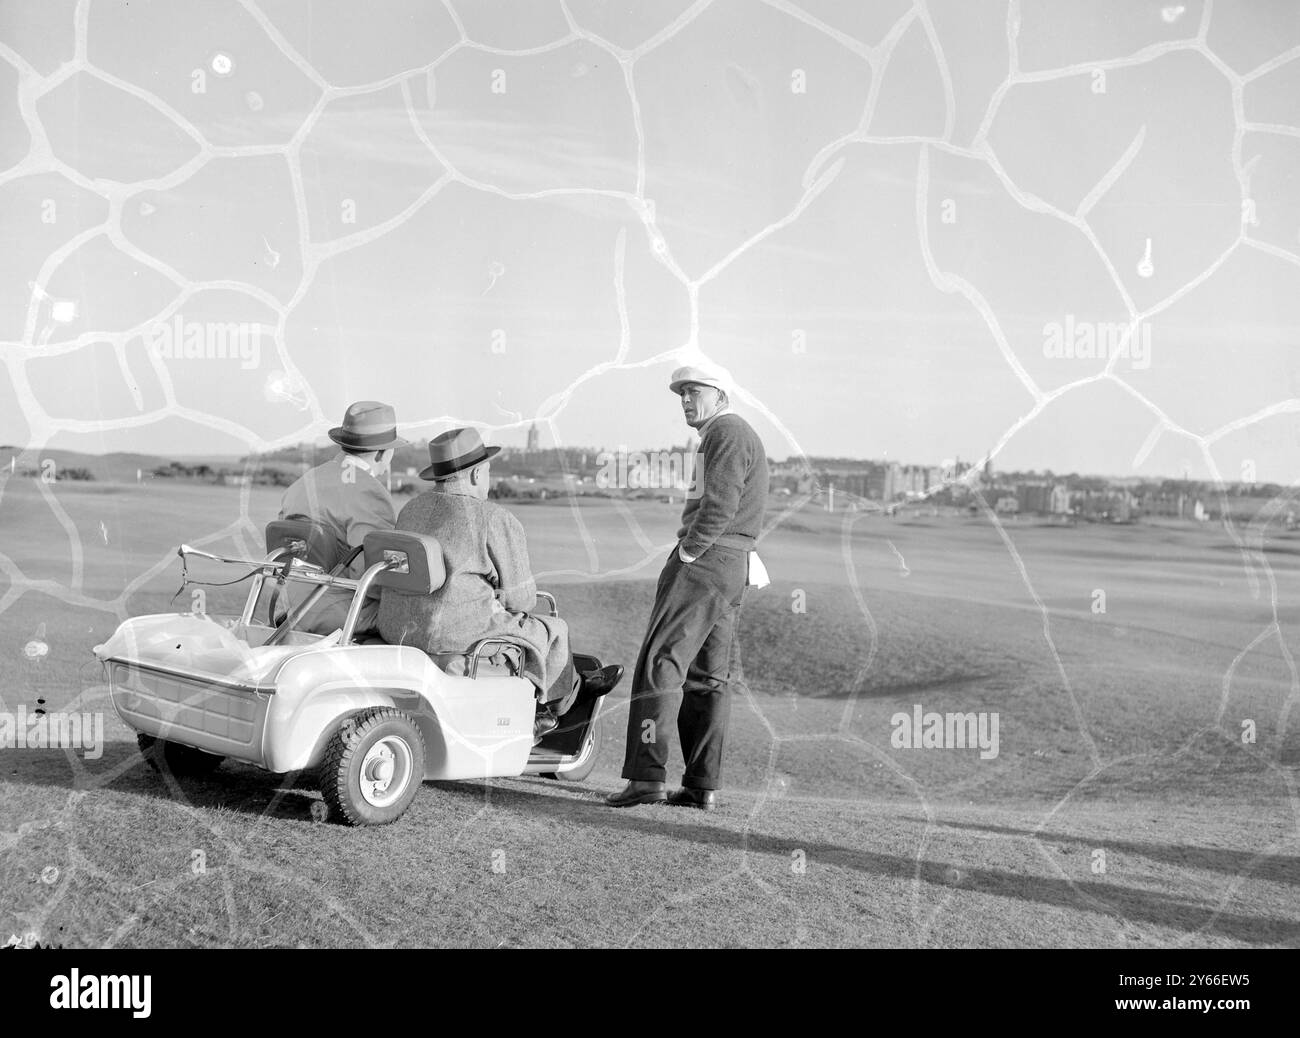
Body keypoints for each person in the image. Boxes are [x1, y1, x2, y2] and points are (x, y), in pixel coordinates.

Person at [378, 427, 622, 739]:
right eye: (488, 472)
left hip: (399, 628)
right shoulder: (493, 518)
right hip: (456, 635)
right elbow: (522, 600)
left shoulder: (411, 509)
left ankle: (566, 691)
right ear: (478, 474)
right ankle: (554, 707)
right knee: (554, 629)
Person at [607, 362, 768, 810]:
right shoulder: (730, 434)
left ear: (719, 395)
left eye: (694, 391)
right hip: (732, 563)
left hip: (706, 561)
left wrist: (688, 553)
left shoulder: (725, 433)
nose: (685, 400)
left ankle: (646, 777)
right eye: (681, 394)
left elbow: (720, 505)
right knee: (708, 679)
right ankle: (702, 786)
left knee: (660, 663)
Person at [278, 400, 400, 635]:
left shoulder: (303, 482)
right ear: (383, 452)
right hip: (341, 614)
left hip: (290, 608)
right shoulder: (369, 491)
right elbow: (372, 579)